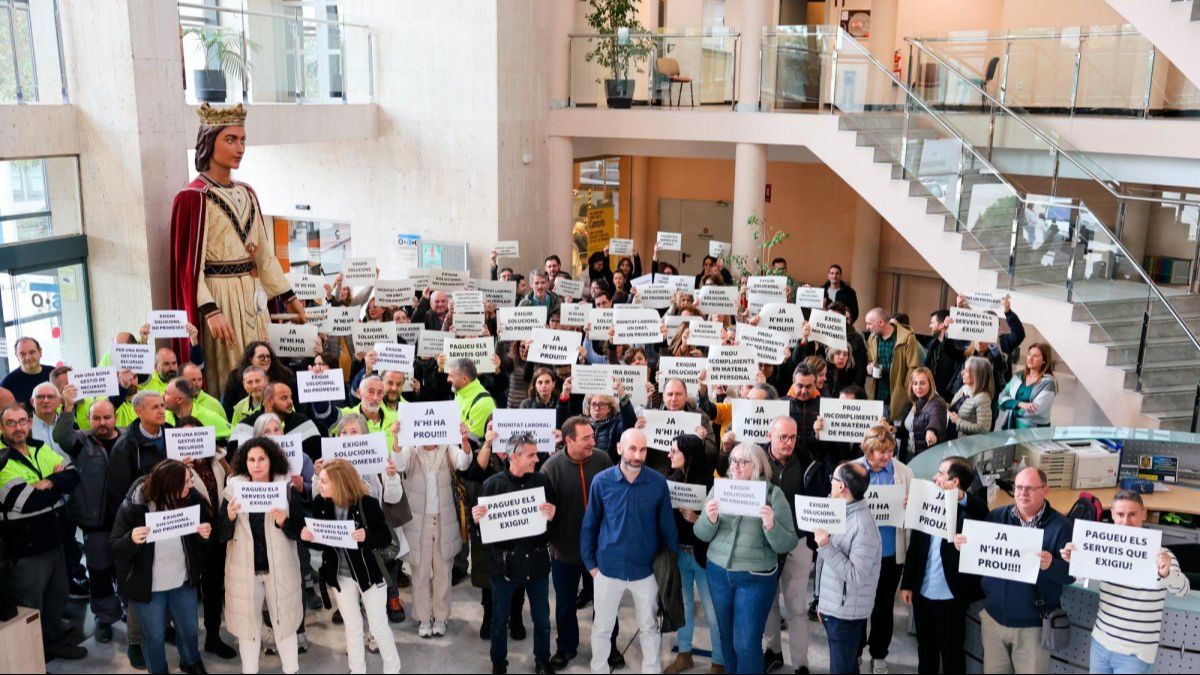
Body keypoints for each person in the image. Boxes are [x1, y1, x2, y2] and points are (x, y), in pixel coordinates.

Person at [170, 104, 306, 394]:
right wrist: (209, 310)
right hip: (220, 296)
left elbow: (264, 255)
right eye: (230, 139)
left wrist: (288, 295)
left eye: (242, 140)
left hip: (252, 295)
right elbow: (189, 269)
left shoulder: (247, 192)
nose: (239, 147)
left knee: (262, 364)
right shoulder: (192, 198)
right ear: (209, 141)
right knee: (231, 368)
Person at [954, 467, 1073, 674]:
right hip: (993, 621)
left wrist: (1051, 565)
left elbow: (1070, 575)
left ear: (1045, 490)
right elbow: (980, 554)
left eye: (1030, 488)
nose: (1022, 493)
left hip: (1032, 628)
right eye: (1018, 487)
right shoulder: (997, 516)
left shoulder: (1061, 527)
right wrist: (963, 546)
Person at [581, 428, 679, 674]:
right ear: (619, 448)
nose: (637, 455)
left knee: (649, 627)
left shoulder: (657, 484)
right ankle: (599, 670)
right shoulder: (601, 482)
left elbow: (668, 528)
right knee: (602, 628)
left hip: (645, 571)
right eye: (633, 449)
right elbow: (589, 525)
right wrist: (591, 565)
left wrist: (668, 567)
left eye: (643, 449)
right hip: (607, 569)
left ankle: (651, 670)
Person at [1061, 491, 1191, 674]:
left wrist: (1167, 573)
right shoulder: (1104, 550)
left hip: (1135, 654)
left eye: (1132, 514)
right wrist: (1073, 560)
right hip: (1101, 644)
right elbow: (1081, 579)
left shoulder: (1163, 555)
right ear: (1113, 514)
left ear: (1144, 514)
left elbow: (1183, 590)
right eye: (1120, 514)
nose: (1126, 521)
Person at [695, 443, 798, 674]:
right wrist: (709, 519)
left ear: (758, 466)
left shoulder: (773, 494)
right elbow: (701, 534)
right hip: (718, 573)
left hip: (755, 577)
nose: (736, 466)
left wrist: (771, 525)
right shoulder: (719, 490)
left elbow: (788, 542)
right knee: (727, 638)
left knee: (746, 643)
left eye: (743, 462)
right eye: (733, 461)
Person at [110, 459, 213, 675]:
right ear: (168, 486)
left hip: (182, 580)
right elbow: (114, 546)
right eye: (186, 482)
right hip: (149, 587)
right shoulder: (134, 506)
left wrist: (203, 536)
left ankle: (191, 661)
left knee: (189, 628)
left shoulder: (191, 500)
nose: (191, 485)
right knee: (154, 635)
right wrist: (131, 539)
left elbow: (199, 542)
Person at [0, 404, 85, 661]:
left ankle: (54, 642)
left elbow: (73, 476)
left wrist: (46, 483)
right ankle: (32, 659)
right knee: (29, 606)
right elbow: (23, 500)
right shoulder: (1, 459)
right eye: (11, 423)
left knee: (56, 598)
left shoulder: (39, 447)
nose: (18, 427)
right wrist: (55, 482)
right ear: (2, 428)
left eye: (22, 421)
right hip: (25, 549)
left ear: (29, 423)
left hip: (55, 540)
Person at [302, 458, 402, 674]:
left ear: (339, 482)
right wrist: (309, 537)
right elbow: (323, 541)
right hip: (341, 578)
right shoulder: (322, 503)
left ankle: (392, 669)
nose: (320, 485)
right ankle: (356, 669)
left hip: (369, 577)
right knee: (352, 626)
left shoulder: (367, 503)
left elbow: (384, 537)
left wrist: (366, 536)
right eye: (320, 481)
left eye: (325, 481)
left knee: (378, 627)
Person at [218, 437, 306, 674]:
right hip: (244, 571)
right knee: (249, 627)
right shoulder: (233, 490)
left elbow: (299, 532)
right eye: (251, 459)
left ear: (271, 460)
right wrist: (228, 517)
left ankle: (292, 669)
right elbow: (221, 535)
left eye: (261, 459)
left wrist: (284, 521)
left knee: (284, 624)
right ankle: (250, 670)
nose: (256, 464)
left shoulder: (285, 488)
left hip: (280, 568)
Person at [473, 432, 558, 675]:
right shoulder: (492, 485)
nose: (536, 458)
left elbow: (553, 521)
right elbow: (482, 535)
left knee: (542, 621)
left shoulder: (542, 482)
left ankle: (542, 661)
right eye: (531, 455)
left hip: (537, 565)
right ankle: (499, 664)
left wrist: (552, 516)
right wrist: (477, 522)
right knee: (499, 621)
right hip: (504, 567)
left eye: (536, 453)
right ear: (514, 457)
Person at [900, 456, 987, 675]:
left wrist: (962, 497)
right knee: (926, 650)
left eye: (940, 473)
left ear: (955, 482)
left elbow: (984, 512)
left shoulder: (970, 511)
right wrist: (907, 583)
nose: (935, 477)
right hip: (923, 593)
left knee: (952, 655)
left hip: (951, 598)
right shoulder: (927, 500)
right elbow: (915, 547)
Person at [540, 416, 614, 672]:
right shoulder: (550, 469)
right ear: (569, 440)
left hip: (600, 551)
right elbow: (544, 515)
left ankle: (608, 647)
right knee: (565, 604)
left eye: (593, 437)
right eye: (586, 439)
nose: (592, 442)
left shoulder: (603, 459)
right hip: (565, 550)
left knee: (605, 603)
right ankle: (566, 647)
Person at [55, 388, 124, 644]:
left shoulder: (128, 439)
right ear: (89, 420)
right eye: (96, 418)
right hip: (95, 522)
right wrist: (68, 408)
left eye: (107, 417)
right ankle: (105, 618)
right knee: (99, 571)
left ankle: (130, 611)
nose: (102, 423)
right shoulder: (81, 440)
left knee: (128, 570)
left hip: (126, 521)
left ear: (115, 417)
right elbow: (60, 435)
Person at [394, 420, 473, 638]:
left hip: (444, 520)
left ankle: (440, 616)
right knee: (419, 573)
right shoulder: (411, 449)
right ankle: (423, 618)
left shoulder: (448, 448)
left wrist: (464, 441)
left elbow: (464, 462)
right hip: (417, 523)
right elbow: (399, 464)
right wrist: (397, 438)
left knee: (443, 572)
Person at [663, 433, 724, 674]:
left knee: (713, 612)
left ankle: (719, 661)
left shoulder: (710, 485)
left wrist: (697, 519)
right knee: (684, 607)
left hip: (704, 557)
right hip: (679, 554)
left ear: (688, 455)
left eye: (674, 451)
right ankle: (684, 654)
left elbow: (722, 526)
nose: (670, 455)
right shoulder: (673, 480)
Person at [855, 426, 913, 674]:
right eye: (881, 452)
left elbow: (915, 514)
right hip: (860, 552)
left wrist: (911, 505)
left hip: (890, 553)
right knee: (857, 607)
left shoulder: (905, 472)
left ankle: (879, 654)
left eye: (890, 451)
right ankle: (855, 652)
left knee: (883, 606)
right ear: (868, 450)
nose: (887, 457)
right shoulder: (851, 470)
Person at [815, 462, 881, 675]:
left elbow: (856, 575)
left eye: (832, 480)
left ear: (842, 486)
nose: (830, 484)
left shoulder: (863, 526)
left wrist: (825, 546)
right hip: (834, 606)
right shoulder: (838, 511)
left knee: (841, 668)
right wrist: (821, 602)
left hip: (845, 614)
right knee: (847, 666)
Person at [762, 416, 814, 674]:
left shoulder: (807, 462)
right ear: (770, 435)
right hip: (767, 541)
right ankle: (773, 652)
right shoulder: (757, 461)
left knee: (796, 607)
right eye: (782, 436)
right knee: (769, 601)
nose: (788, 442)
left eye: (792, 437)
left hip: (799, 542)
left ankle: (801, 664)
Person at [864, 308, 921, 419]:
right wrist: (869, 367)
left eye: (869, 324)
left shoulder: (907, 338)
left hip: (897, 396)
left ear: (880, 322)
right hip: (877, 394)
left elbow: (913, 367)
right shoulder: (872, 339)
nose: (867, 327)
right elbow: (871, 360)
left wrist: (904, 390)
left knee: (894, 431)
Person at [996, 343, 1057, 430]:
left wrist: (1008, 404)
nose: (1030, 358)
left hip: (1035, 432)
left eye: (1035, 356)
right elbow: (1000, 397)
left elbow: (1035, 410)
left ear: (1044, 360)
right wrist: (1019, 404)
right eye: (1029, 354)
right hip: (1012, 426)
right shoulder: (1019, 376)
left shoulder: (1049, 384)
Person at [894, 367, 947, 462]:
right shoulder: (910, 403)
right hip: (907, 454)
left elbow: (935, 418)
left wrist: (931, 431)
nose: (918, 387)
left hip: (926, 458)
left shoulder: (937, 402)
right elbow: (906, 431)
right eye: (915, 383)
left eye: (922, 383)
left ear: (930, 384)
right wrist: (893, 429)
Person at [446, 357, 497, 441]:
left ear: (464, 379)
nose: (448, 379)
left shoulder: (481, 404)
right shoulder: (460, 390)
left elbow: (473, 441)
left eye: (451, 376)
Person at [948, 356, 994, 437]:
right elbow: (953, 408)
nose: (962, 372)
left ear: (976, 375)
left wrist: (959, 422)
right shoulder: (964, 388)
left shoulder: (983, 398)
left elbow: (984, 428)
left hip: (968, 445)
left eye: (966, 370)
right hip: (953, 439)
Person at [924, 309, 965, 399]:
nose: (930, 326)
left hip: (948, 396)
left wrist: (959, 306)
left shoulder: (956, 347)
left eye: (932, 323)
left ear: (942, 325)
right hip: (932, 393)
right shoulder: (933, 344)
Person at [1, 336, 53, 403]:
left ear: (40, 352)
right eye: (22, 354)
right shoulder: (8, 383)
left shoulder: (54, 374)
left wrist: (59, 411)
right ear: (17, 356)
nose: (28, 357)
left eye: (32, 352)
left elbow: (62, 403)